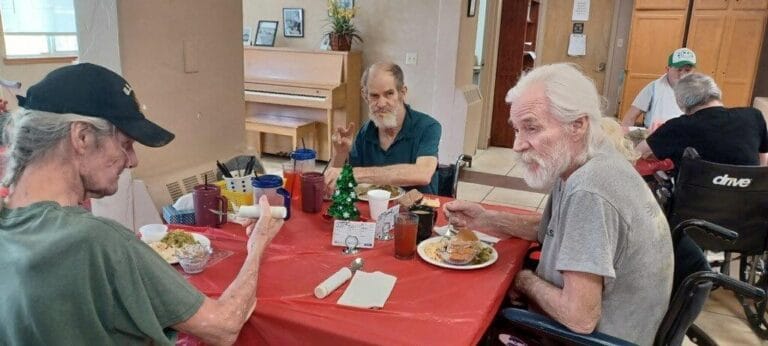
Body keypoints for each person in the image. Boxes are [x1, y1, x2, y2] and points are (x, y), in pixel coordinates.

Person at [0, 63, 283, 345]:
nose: (133, 160)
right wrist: (257, 245)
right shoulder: (96, 241)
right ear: (82, 137)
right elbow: (224, 325)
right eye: (125, 144)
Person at [444, 63, 673, 344]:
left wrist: (524, 281)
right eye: (517, 129)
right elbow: (551, 229)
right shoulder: (585, 160)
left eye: (531, 128)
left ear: (577, 124)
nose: (517, 144)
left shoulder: (590, 189)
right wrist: (485, 219)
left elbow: (580, 318)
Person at [324, 62, 441, 194]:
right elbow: (332, 188)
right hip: (375, 210)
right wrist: (340, 154)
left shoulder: (428, 127)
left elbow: (423, 174)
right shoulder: (365, 132)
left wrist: (355, 173)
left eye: (389, 94)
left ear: (402, 93)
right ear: (365, 96)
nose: (381, 103)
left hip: (417, 211)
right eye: (374, 96)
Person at [636, 72, 768, 167]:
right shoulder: (754, 116)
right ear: (716, 91)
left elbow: (638, 152)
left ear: (681, 102)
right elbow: (763, 164)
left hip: (693, 202)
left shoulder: (678, 126)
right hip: (747, 201)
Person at [621, 47, 696, 128]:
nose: (682, 75)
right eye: (679, 70)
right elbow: (629, 118)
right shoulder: (653, 88)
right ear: (667, 69)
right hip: (654, 137)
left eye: (687, 70)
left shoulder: (699, 92)